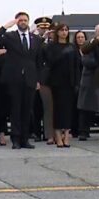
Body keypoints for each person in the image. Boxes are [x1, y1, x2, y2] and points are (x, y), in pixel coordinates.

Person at [0, 12, 44, 149]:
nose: (23, 22)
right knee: (15, 109)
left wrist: (38, 79)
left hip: (30, 79)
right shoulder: (9, 36)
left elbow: (38, 60)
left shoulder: (35, 38)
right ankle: (16, 138)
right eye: (20, 20)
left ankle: (25, 139)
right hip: (14, 78)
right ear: (17, 22)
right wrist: (4, 27)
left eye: (25, 20)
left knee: (27, 110)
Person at [40, 22, 79, 147]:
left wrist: (76, 82)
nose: (64, 32)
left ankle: (66, 135)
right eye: (61, 30)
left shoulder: (72, 47)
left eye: (66, 30)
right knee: (56, 109)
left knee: (68, 109)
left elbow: (77, 65)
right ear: (57, 32)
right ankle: (57, 135)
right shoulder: (51, 46)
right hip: (55, 82)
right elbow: (49, 61)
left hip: (69, 82)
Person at [33, 16, 55, 144]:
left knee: (49, 108)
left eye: (47, 27)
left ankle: (48, 133)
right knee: (36, 108)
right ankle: (36, 132)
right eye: (42, 27)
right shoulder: (35, 40)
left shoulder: (52, 42)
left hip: (50, 79)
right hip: (38, 77)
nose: (45, 30)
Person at [75, 30, 98, 141]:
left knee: (96, 108)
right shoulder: (88, 46)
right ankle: (83, 131)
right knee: (85, 108)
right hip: (88, 80)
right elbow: (87, 61)